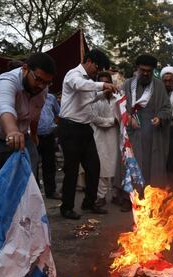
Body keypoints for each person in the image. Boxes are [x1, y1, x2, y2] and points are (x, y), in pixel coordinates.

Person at [0, 52, 55, 255]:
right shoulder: (7, 81)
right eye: (38, 79)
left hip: (21, 137)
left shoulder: (43, 88)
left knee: (26, 187)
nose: (41, 85)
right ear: (25, 69)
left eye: (46, 82)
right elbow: (4, 108)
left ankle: (20, 234)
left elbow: (36, 111)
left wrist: (33, 136)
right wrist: (12, 131)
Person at [58, 49, 118, 220]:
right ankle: (67, 207)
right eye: (97, 68)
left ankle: (89, 202)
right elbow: (80, 86)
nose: (97, 72)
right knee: (72, 169)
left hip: (85, 128)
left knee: (94, 166)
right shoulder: (73, 75)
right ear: (89, 61)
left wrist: (102, 94)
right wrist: (103, 85)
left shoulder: (90, 81)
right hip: (70, 128)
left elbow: (88, 99)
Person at [124, 54, 172, 188]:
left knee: (151, 167)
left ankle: (149, 198)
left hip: (152, 135)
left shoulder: (159, 86)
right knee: (132, 163)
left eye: (148, 71)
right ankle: (129, 197)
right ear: (137, 68)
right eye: (142, 70)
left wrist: (160, 118)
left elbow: (167, 108)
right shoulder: (128, 85)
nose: (145, 74)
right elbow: (120, 108)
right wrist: (129, 118)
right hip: (133, 133)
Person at [91, 71, 120, 207]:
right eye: (103, 83)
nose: (106, 86)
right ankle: (100, 196)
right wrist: (112, 121)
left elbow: (123, 116)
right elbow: (95, 119)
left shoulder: (118, 98)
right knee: (102, 168)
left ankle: (115, 195)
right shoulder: (94, 99)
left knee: (115, 166)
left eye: (108, 83)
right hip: (100, 137)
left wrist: (117, 121)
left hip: (116, 136)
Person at [37, 93, 60, 200]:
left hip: (49, 136)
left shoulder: (51, 97)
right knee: (33, 165)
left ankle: (51, 191)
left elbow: (58, 113)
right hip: (33, 136)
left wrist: (53, 126)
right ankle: (35, 193)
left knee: (50, 165)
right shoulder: (29, 96)